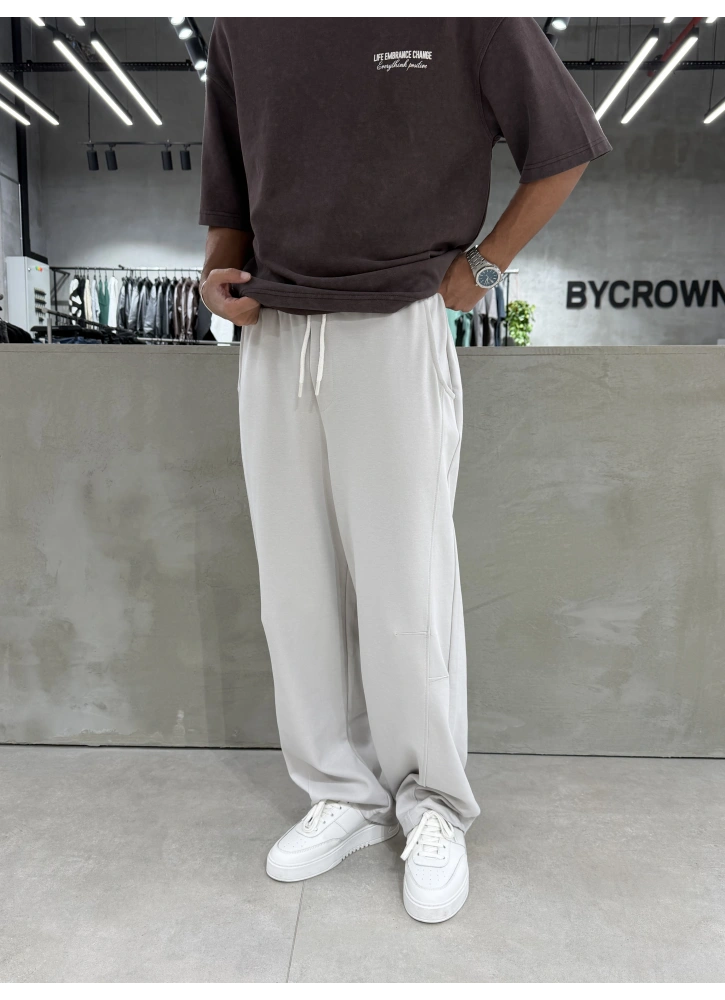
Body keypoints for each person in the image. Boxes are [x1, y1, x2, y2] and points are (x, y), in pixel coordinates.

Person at [199, 16, 610, 923]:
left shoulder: (465, 15)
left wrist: (485, 266)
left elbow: (563, 147)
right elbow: (230, 184)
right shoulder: (243, 25)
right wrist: (215, 272)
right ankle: (339, 793)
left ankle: (434, 805)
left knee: (405, 585)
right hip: (274, 331)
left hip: (394, 321)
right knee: (293, 589)